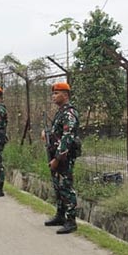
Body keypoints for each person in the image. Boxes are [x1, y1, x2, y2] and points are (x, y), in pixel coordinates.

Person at [43, 82, 81, 234]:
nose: (53, 96)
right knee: (57, 187)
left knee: (66, 188)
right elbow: (58, 133)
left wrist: (57, 159)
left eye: (56, 93)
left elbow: (67, 138)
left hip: (64, 158)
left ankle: (71, 221)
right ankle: (60, 215)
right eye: (53, 93)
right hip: (56, 155)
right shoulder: (61, 112)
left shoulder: (69, 113)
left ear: (65, 95)